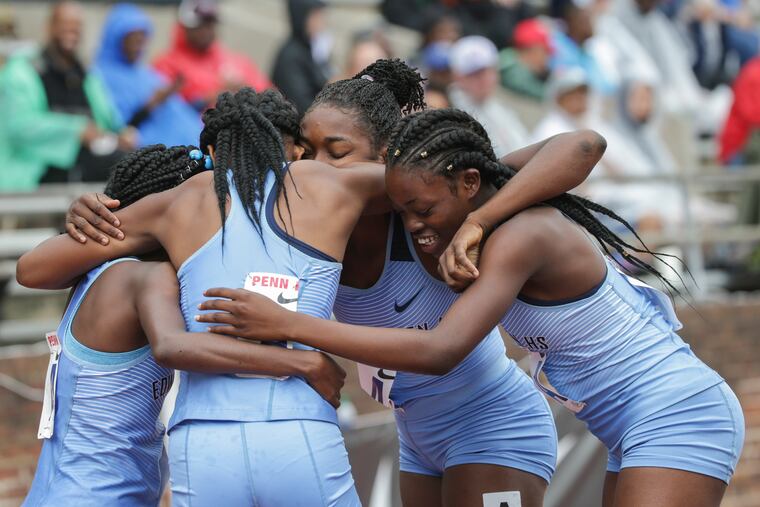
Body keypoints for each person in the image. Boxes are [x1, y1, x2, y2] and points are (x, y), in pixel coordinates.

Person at [65, 59, 607, 506]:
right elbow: (186, 215)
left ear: (390, 158)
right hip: (417, 439)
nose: (316, 166)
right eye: (309, 149)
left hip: (492, 426)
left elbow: (580, 144)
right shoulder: (303, 232)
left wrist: (480, 221)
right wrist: (100, 206)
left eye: (337, 152)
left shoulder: (426, 217)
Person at [201, 108, 745, 507]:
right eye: (403, 211)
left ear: (467, 184)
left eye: (422, 209)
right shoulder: (453, 201)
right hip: (626, 425)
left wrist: (293, 326)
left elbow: (439, 349)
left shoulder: (517, 232)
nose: (415, 225)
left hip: (674, 412)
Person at [18, 86, 392, 506]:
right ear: (295, 153)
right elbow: (433, 175)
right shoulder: (324, 186)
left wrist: (92, 214)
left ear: (212, 152)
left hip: (200, 445)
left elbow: (31, 269)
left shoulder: (178, 204)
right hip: (298, 426)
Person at [0, 0, 134, 191]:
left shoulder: (85, 74)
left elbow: (107, 118)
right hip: (38, 167)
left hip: (92, 158)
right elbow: (19, 126)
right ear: (50, 27)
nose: (72, 31)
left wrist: (119, 134)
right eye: (65, 24)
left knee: (134, 161)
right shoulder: (22, 72)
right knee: (120, 169)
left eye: (77, 26)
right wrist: (76, 130)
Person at [94, 4, 201, 148]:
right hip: (154, 151)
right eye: (133, 39)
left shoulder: (147, 74)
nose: (139, 45)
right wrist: (152, 103)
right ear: (117, 38)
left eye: (142, 39)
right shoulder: (100, 76)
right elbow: (117, 128)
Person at [153, 0, 271, 112]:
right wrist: (216, 95)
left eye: (210, 24)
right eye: (200, 24)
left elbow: (270, 97)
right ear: (183, 27)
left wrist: (247, 92)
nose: (206, 30)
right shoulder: (166, 65)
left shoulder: (237, 61)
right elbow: (168, 114)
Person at [448, 35, 530, 157]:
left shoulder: (499, 106)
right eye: (473, 74)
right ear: (458, 77)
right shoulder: (451, 111)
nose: (483, 80)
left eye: (487, 71)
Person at [272, 0, 333, 113]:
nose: (321, 22)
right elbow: (301, 105)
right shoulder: (290, 56)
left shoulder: (311, 50)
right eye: (315, 16)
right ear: (301, 17)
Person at [499, 18, 553, 101]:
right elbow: (547, 97)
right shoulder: (513, 70)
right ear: (533, 51)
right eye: (545, 52)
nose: (547, 58)